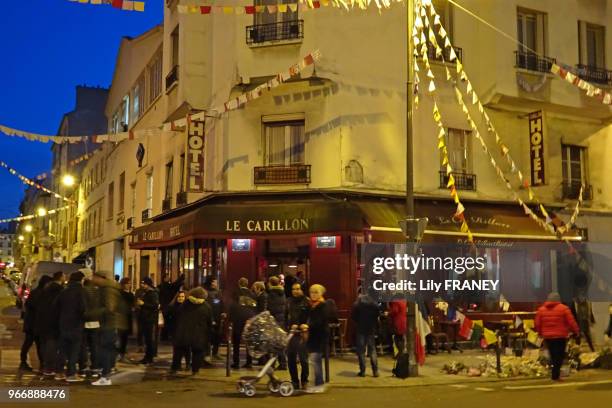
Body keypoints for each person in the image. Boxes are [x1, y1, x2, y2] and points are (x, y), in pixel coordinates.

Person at [535, 292, 579, 381]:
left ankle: (555, 374)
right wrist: (576, 331)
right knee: (559, 356)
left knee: (553, 355)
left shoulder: (541, 310)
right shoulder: (564, 309)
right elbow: (571, 321)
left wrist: (540, 333)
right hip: (560, 336)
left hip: (548, 337)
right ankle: (555, 375)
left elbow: (537, 324)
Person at [90, 270, 123, 386]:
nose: (93, 280)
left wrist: (92, 313)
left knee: (105, 349)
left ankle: (105, 376)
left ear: (101, 278)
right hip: (107, 323)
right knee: (107, 349)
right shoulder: (106, 289)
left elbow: (110, 308)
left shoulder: (108, 290)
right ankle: (105, 373)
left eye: (94, 277)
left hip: (108, 324)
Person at [171, 287, 213, 375]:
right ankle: (195, 370)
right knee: (198, 351)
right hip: (199, 333)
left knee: (179, 350)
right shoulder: (206, 306)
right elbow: (209, 321)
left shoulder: (185, 304)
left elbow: (178, 316)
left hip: (184, 331)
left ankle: (174, 368)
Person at [56, 272, 86, 382]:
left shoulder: (64, 291)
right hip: (76, 324)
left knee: (63, 349)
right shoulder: (81, 292)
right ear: (81, 280)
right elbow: (82, 308)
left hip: (63, 323)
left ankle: (59, 372)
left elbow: (57, 306)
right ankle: (71, 373)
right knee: (74, 349)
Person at [34, 271, 65, 378]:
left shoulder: (45, 291)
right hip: (53, 321)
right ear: (60, 278)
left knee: (44, 344)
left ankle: (46, 366)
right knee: (52, 345)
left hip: (42, 321)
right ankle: (50, 368)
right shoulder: (60, 291)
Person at [20, 275, 52, 372]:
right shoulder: (42, 294)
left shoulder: (35, 292)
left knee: (32, 343)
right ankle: (36, 363)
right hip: (34, 323)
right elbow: (38, 308)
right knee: (35, 344)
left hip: (31, 323)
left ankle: (26, 362)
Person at [305, 284, 329, 393]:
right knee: (313, 361)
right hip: (312, 337)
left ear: (321, 294)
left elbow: (320, 322)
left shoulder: (322, 306)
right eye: (312, 292)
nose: (313, 294)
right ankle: (315, 383)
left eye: (316, 292)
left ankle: (319, 384)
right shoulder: (310, 305)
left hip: (319, 337)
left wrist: (308, 326)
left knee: (315, 361)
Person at [229, 277, 257, 369]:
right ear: (247, 284)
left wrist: (231, 319)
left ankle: (236, 363)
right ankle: (249, 362)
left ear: (239, 284)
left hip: (238, 319)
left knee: (236, 342)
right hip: (249, 320)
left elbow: (232, 306)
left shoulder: (235, 293)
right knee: (248, 341)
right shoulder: (252, 294)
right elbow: (254, 307)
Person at [287, 282, 310, 390]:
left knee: (303, 359)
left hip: (303, 334)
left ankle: (304, 380)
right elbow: (285, 316)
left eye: (297, 289)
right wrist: (289, 326)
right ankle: (294, 381)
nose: (295, 291)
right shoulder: (288, 301)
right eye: (293, 289)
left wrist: (306, 325)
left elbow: (311, 317)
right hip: (291, 334)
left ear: (302, 290)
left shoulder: (307, 301)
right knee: (291, 359)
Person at [352, 294, 381, 377]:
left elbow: (353, 317)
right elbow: (377, 316)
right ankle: (375, 371)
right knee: (372, 350)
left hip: (361, 329)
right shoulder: (374, 306)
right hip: (371, 330)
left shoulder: (358, 305)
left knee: (361, 351)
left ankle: (363, 371)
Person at [81, 269, 100, 376]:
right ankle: (95, 367)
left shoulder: (83, 291)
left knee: (83, 345)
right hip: (96, 321)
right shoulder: (97, 292)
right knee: (94, 346)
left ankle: (83, 367)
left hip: (85, 321)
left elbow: (82, 306)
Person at [136, 277, 159, 365]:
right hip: (145, 318)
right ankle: (147, 357)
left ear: (148, 284)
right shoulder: (145, 293)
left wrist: (143, 304)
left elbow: (154, 305)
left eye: (144, 283)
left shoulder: (153, 293)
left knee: (149, 340)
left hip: (149, 319)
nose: (142, 285)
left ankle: (149, 358)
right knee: (147, 339)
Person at [267, 276, 287, 369]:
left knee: (274, 343)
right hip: (281, 319)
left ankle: (278, 363)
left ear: (270, 283)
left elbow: (270, 308)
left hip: (274, 320)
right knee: (279, 342)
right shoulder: (282, 293)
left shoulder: (271, 293)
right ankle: (281, 363)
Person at [158, 274, 185, 341]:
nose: (169, 278)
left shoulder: (161, 286)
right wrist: (180, 280)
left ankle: (164, 336)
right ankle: (165, 336)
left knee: (165, 322)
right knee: (167, 322)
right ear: (164, 278)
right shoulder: (166, 286)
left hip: (164, 306)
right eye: (167, 277)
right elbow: (174, 286)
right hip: (166, 306)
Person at [168, 290, 190, 372]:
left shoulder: (188, 307)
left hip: (185, 330)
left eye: (182, 297)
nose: (181, 298)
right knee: (177, 349)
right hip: (176, 330)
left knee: (186, 348)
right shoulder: (173, 307)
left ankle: (188, 364)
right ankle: (177, 365)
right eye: (179, 297)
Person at [203, 276, 224, 359]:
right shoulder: (206, 292)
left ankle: (215, 352)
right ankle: (207, 352)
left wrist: (223, 312)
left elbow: (221, 302)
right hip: (209, 316)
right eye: (215, 282)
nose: (216, 283)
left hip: (217, 316)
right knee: (208, 335)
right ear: (211, 282)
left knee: (217, 335)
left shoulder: (218, 292)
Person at [117, 278, 135, 363]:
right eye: (127, 283)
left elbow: (133, 304)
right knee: (120, 337)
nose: (129, 285)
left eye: (130, 283)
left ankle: (122, 354)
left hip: (128, 317)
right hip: (121, 317)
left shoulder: (131, 294)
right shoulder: (120, 293)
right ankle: (119, 354)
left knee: (124, 337)